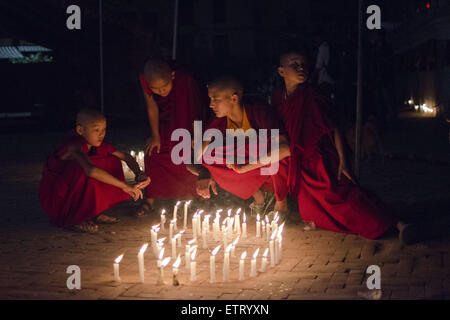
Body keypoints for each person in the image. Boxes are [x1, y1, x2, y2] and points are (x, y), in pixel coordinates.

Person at [272, 50, 418, 244]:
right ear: (282, 71)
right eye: (294, 64)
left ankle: (397, 224)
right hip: (299, 161)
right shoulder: (277, 98)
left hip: (321, 158)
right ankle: (389, 221)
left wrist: (343, 160)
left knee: (342, 196)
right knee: (313, 211)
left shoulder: (313, 96)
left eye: (304, 64)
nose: (301, 68)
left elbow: (334, 128)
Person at [188, 76, 290, 216]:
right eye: (210, 99)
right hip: (245, 164)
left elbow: (285, 149)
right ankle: (258, 195)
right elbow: (192, 158)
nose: (211, 105)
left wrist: (244, 168)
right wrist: (203, 173)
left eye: (216, 99)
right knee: (210, 155)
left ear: (234, 99)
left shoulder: (259, 112)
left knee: (274, 149)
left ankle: (281, 203)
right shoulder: (218, 122)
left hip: (263, 164)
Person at [39, 109, 150, 233]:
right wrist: (125, 186)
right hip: (57, 199)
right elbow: (91, 171)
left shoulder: (96, 144)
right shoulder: (73, 146)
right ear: (80, 130)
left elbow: (125, 156)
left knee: (110, 160)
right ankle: (75, 219)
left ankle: (92, 212)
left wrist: (139, 173)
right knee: (83, 169)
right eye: (96, 130)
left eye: (104, 130)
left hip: (70, 190)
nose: (101, 134)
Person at [138, 57, 208, 215]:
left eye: (165, 86)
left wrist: (196, 135)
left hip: (187, 127)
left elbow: (195, 109)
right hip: (166, 124)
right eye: (156, 89)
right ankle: (150, 198)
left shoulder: (185, 80)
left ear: (173, 76)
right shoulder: (145, 79)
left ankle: (201, 193)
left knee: (190, 154)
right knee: (153, 153)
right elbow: (152, 107)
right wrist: (155, 136)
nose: (162, 91)